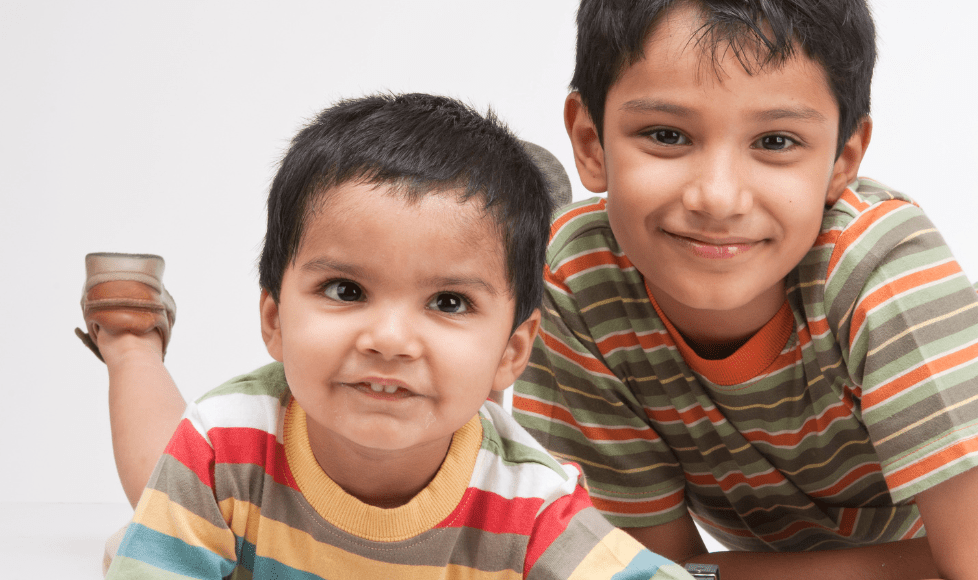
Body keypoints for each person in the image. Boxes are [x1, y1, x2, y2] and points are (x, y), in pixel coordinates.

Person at [510, 1, 978, 579]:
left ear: (843, 159)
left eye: (774, 142)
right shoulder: (572, 284)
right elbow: (648, 570)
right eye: (667, 135)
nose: (718, 198)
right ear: (590, 141)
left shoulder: (879, 266)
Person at [82, 93, 693, 579]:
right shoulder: (223, 445)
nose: (390, 338)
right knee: (154, 497)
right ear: (272, 317)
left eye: (448, 301)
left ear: (515, 350)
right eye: (346, 290)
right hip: (236, 513)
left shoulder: (531, 505)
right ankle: (129, 340)